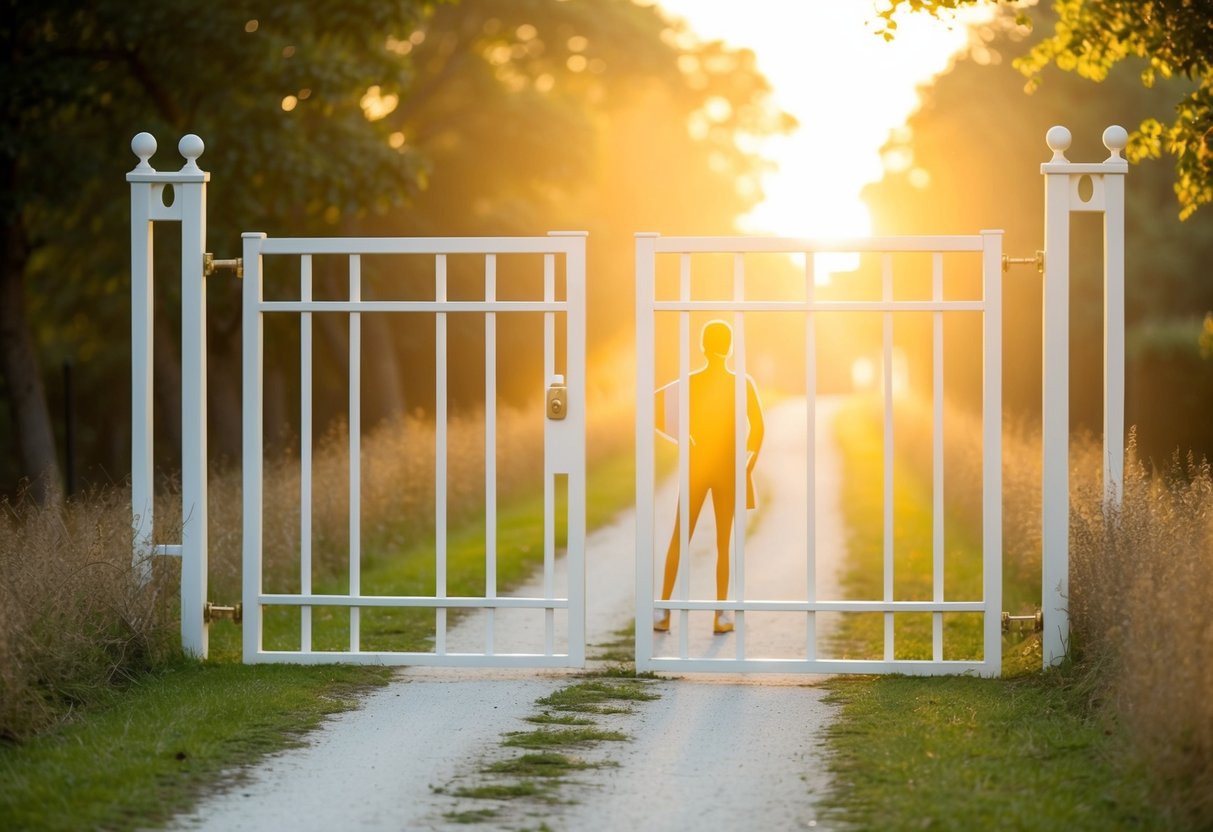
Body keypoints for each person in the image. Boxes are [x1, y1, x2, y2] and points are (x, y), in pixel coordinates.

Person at [654, 320, 764, 635]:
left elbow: (653, 409)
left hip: (697, 465)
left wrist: (681, 437)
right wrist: (748, 463)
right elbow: (758, 428)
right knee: (723, 542)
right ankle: (720, 616)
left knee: (679, 537)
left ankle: (663, 612)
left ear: (702, 346)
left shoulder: (690, 382)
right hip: (729, 467)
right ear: (730, 347)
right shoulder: (742, 383)